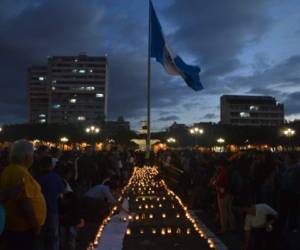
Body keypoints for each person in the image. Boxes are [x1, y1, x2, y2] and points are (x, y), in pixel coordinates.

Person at [0, 139, 46, 250]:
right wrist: (36, 226)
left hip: (16, 227)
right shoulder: (20, 173)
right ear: (27, 156)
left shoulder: (10, 169)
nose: (33, 158)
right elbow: (25, 203)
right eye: (32, 155)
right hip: (23, 229)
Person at [35, 156, 65, 250]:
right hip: (52, 209)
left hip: (38, 211)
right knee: (53, 236)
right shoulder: (55, 177)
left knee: (40, 235)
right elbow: (62, 190)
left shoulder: (36, 178)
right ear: (51, 166)